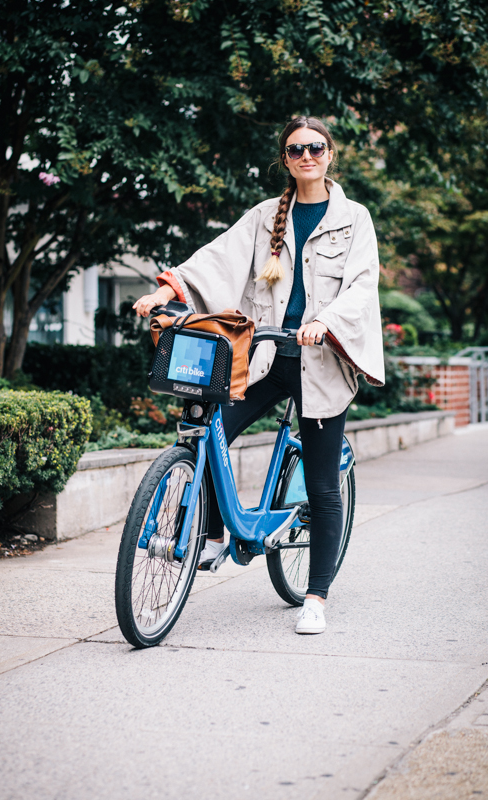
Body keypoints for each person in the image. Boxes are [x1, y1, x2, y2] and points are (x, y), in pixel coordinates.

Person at [134, 116, 384, 635]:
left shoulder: (354, 218)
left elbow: (361, 288)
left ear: (329, 155)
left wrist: (322, 323)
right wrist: (165, 292)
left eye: (316, 148)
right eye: (296, 150)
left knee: (320, 485)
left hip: (320, 361)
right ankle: (214, 534)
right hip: (267, 356)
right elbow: (216, 260)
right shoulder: (266, 215)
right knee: (210, 430)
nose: (306, 156)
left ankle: (315, 594)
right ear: (285, 159)